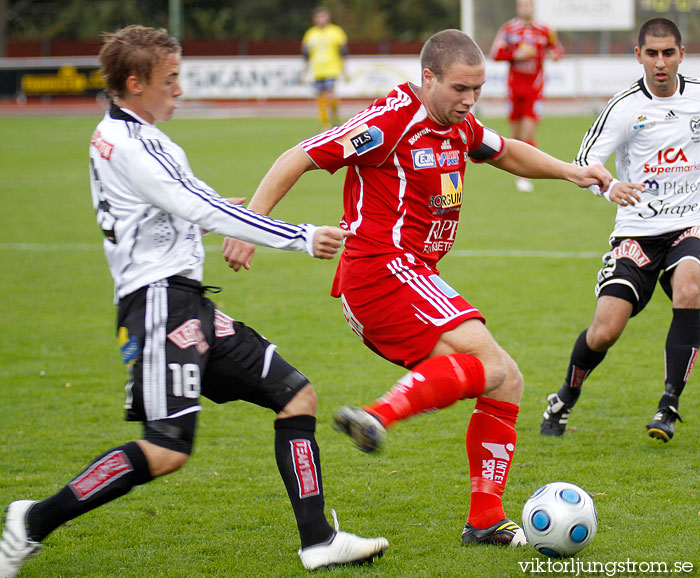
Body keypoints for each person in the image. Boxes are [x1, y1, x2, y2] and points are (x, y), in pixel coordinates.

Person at [0, 25, 389, 578]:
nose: (180, 88)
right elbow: (197, 209)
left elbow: (188, 207)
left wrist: (222, 212)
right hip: (159, 306)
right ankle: (32, 521)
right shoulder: (131, 145)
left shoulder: (140, 138)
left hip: (188, 302)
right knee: (167, 447)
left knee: (295, 394)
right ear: (134, 83)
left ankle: (319, 540)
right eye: (171, 78)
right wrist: (298, 235)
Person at [222, 29, 611, 547]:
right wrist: (252, 225)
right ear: (428, 78)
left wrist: (570, 171)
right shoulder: (390, 121)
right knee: (492, 365)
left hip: (411, 275)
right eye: (459, 89)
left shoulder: (458, 124)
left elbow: (505, 150)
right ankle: (376, 417)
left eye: (477, 89)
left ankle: (485, 520)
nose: (469, 101)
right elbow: (301, 154)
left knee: (505, 381)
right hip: (381, 270)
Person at [541, 18, 700, 443]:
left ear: (682, 54)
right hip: (637, 232)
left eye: (669, 53)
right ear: (638, 56)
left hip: (689, 223)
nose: (661, 62)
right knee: (605, 330)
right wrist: (609, 186)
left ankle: (669, 404)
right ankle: (565, 397)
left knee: (691, 286)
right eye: (652, 53)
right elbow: (585, 161)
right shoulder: (624, 106)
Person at [491, 0, 563, 192]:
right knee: (514, 136)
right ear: (517, 8)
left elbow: (557, 50)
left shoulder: (545, 30)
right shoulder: (509, 29)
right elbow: (495, 53)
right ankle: (517, 171)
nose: (525, 9)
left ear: (533, 7)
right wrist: (516, 55)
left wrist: (554, 55)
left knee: (528, 133)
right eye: (522, 5)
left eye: (528, 5)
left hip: (534, 89)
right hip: (514, 89)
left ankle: (525, 176)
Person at [301, 6, 348, 130]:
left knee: (329, 95)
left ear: (328, 17)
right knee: (320, 97)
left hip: (331, 69)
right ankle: (324, 123)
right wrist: (304, 71)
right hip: (317, 70)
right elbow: (306, 55)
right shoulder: (310, 34)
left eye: (323, 16)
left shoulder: (336, 32)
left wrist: (344, 70)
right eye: (318, 17)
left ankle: (335, 118)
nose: (320, 19)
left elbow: (342, 52)